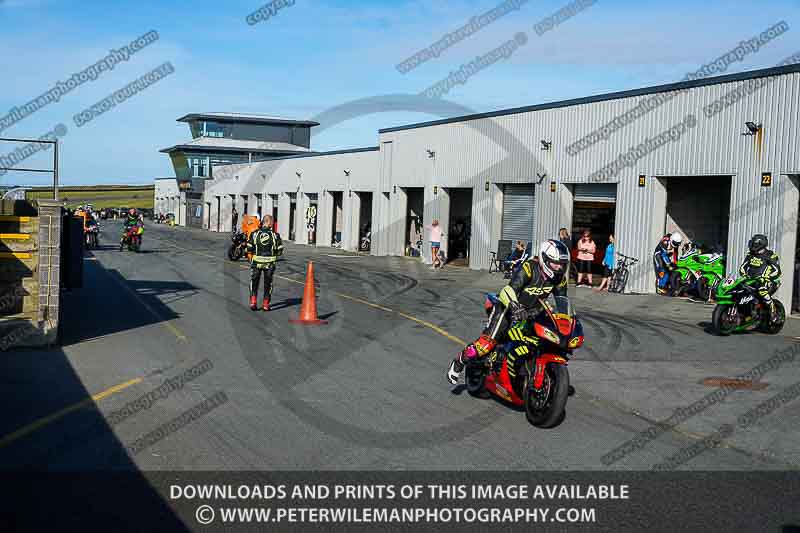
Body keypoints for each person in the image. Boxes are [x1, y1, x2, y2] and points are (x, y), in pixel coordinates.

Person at [446, 239, 570, 384]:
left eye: (562, 264)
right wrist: (515, 307)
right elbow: (508, 289)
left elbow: (563, 302)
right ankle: (460, 361)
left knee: (545, 341)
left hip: (533, 312)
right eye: (556, 263)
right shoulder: (530, 267)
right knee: (485, 345)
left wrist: (566, 322)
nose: (559, 268)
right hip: (507, 309)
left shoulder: (559, 279)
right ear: (545, 259)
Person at [739, 234, 782, 322]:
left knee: (761, 289)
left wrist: (766, 277)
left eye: (753, 243)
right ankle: (745, 313)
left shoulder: (770, 255)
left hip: (768, 281)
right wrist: (744, 275)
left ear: (760, 244)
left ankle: (773, 311)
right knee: (739, 289)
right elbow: (742, 267)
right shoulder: (750, 254)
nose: (751, 245)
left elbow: (777, 271)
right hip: (752, 281)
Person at [246, 214, 284, 311]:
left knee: (254, 282)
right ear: (269, 222)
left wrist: (252, 257)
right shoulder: (275, 235)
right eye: (272, 221)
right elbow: (280, 250)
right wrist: (273, 253)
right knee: (268, 283)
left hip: (256, 262)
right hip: (269, 264)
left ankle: (253, 302)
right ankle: (266, 304)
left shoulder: (255, 234)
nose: (272, 223)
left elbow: (249, 248)